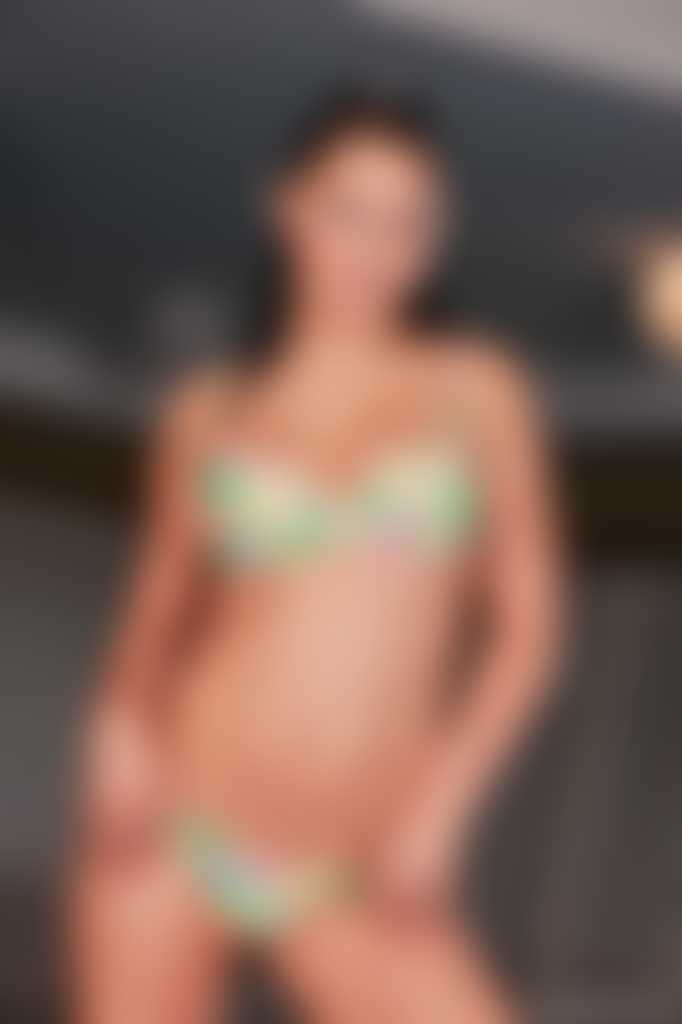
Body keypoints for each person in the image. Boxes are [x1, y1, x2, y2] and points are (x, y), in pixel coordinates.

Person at [68, 88, 561, 1023]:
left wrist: (441, 810)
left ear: (436, 238)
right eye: (350, 212)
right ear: (288, 208)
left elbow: (529, 631)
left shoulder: (475, 391)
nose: (378, 247)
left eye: (408, 220)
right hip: (182, 818)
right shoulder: (208, 413)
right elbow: (156, 614)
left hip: (359, 859)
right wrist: (117, 732)